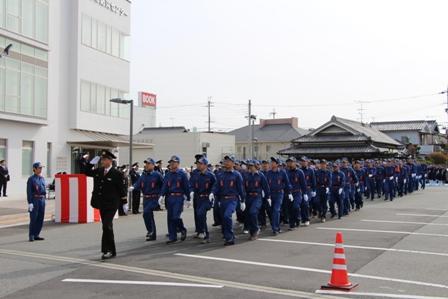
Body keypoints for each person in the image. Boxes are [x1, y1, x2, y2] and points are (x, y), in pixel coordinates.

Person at [79, 150, 128, 260]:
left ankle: (109, 250)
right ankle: (109, 250)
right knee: (106, 227)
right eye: (102, 159)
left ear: (110, 161)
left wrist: (124, 202)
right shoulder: (99, 171)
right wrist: (91, 163)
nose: (102, 161)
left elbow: (121, 189)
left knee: (107, 225)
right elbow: (85, 172)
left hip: (112, 204)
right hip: (101, 203)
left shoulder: (117, 174)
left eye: (105, 159)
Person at [210, 155, 245, 246]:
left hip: (232, 199)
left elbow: (241, 189)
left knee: (227, 216)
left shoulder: (237, 175)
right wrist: (212, 193)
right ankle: (227, 236)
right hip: (222, 199)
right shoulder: (221, 174)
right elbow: (216, 186)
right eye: (225, 161)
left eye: (229, 161)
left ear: (233, 163)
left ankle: (230, 237)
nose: (226, 162)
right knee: (223, 219)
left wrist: (242, 201)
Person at [130, 158, 164, 241]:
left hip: (154, 198)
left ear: (153, 165)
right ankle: (153, 234)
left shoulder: (157, 175)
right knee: (149, 216)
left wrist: (162, 195)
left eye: (148, 163)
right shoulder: (143, 175)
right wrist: (133, 187)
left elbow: (163, 185)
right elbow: (138, 184)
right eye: (146, 164)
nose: (146, 165)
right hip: (146, 198)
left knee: (146, 213)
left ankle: (150, 231)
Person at [159, 155, 191, 244]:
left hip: (178, 197)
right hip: (170, 197)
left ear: (178, 163)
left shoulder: (182, 174)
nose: (172, 164)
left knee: (175, 216)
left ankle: (182, 229)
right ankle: (172, 236)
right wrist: (161, 196)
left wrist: (188, 198)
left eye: (174, 162)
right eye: (171, 162)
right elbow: (164, 186)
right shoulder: (168, 174)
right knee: (170, 218)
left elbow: (186, 187)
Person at [189, 157, 216, 243]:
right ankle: (203, 233)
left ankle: (206, 234)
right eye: (197, 164)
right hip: (198, 198)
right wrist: (191, 192)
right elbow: (191, 185)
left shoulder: (211, 175)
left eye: (200, 164)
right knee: (200, 216)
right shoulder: (196, 175)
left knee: (201, 213)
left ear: (205, 165)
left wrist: (212, 193)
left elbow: (215, 186)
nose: (198, 165)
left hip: (206, 198)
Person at [243, 160, 270, 240]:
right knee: (248, 215)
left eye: (252, 166)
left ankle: (256, 228)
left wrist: (268, 197)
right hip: (248, 197)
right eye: (249, 166)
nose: (251, 167)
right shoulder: (246, 175)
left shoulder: (261, 175)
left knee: (253, 212)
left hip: (257, 197)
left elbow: (266, 187)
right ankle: (252, 233)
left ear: (256, 166)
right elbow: (243, 187)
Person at [266, 157, 292, 235]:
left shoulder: (282, 172)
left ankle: (275, 229)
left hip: (279, 194)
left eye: (273, 162)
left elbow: (287, 183)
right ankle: (276, 225)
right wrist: (267, 195)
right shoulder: (268, 173)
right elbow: (266, 185)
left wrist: (290, 192)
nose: (271, 163)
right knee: (271, 212)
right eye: (271, 162)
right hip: (271, 194)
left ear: (277, 164)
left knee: (276, 210)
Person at [26, 162, 47, 242]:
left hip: (41, 200)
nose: (41, 169)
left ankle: (36, 234)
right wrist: (30, 202)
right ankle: (31, 235)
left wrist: (44, 199)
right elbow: (29, 191)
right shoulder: (31, 179)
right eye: (39, 168)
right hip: (35, 200)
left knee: (40, 218)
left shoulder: (42, 178)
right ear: (34, 169)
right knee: (34, 218)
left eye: (41, 168)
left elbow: (43, 190)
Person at [285, 157, 306, 230]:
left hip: (297, 192)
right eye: (288, 162)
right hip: (289, 193)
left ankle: (298, 218)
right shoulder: (286, 172)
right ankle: (292, 225)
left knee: (296, 207)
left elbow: (303, 183)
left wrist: (305, 193)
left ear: (295, 163)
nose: (290, 163)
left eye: (291, 162)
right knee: (290, 209)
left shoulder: (300, 172)